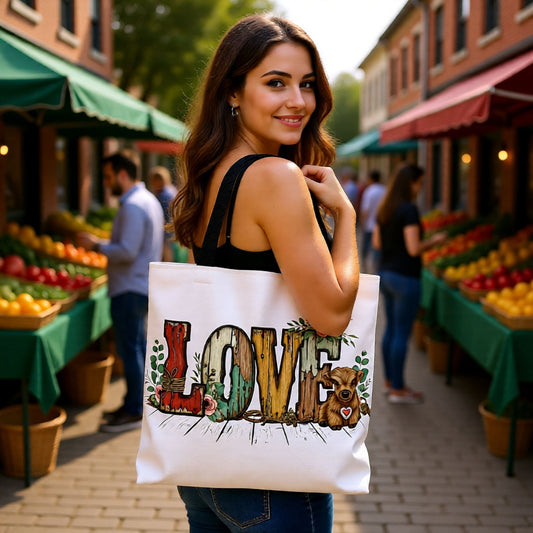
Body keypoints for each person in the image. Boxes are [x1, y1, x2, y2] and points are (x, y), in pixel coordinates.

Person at [170, 14, 359, 533]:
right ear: (234, 91)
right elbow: (331, 313)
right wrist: (346, 218)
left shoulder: (210, 174)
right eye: (275, 83)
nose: (297, 101)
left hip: (206, 452)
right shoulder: (275, 177)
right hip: (274, 461)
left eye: (307, 85)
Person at [77, 150, 164, 432]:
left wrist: (96, 246)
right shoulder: (146, 200)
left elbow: (126, 251)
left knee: (131, 350)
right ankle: (132, 403)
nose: (106, 182)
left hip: (129, 288)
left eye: (108, 176)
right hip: (138, 285)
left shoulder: (133, 206)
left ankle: (135, 410)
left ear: (122, 174)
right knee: (135, 348)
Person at [372, 163, 446, 404]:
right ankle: (398, 389)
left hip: (386, 274)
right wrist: (434, 240)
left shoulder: (385, 209)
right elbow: (414, 248)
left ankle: (388, 383)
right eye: (420, 183)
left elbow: (377, 244)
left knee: (391, 330)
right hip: (406, 277)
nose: (421, 187)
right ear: (411, 183)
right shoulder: (409, 210)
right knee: (401, 334)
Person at [148, 166, 178, 261]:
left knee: (167, 261)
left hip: (166, 234)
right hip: (175, 232)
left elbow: (162, 217)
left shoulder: (163, 195)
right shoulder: (172, 190)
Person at [360, 170, 386, 272]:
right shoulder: (385, 190)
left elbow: (365, 210)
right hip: (381, 225)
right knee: (377, 249)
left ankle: (365, 269)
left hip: (369, 225)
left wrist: (362, 223)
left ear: (370, 179)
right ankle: (376, 269)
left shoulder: (369, 191)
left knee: (365, 250)